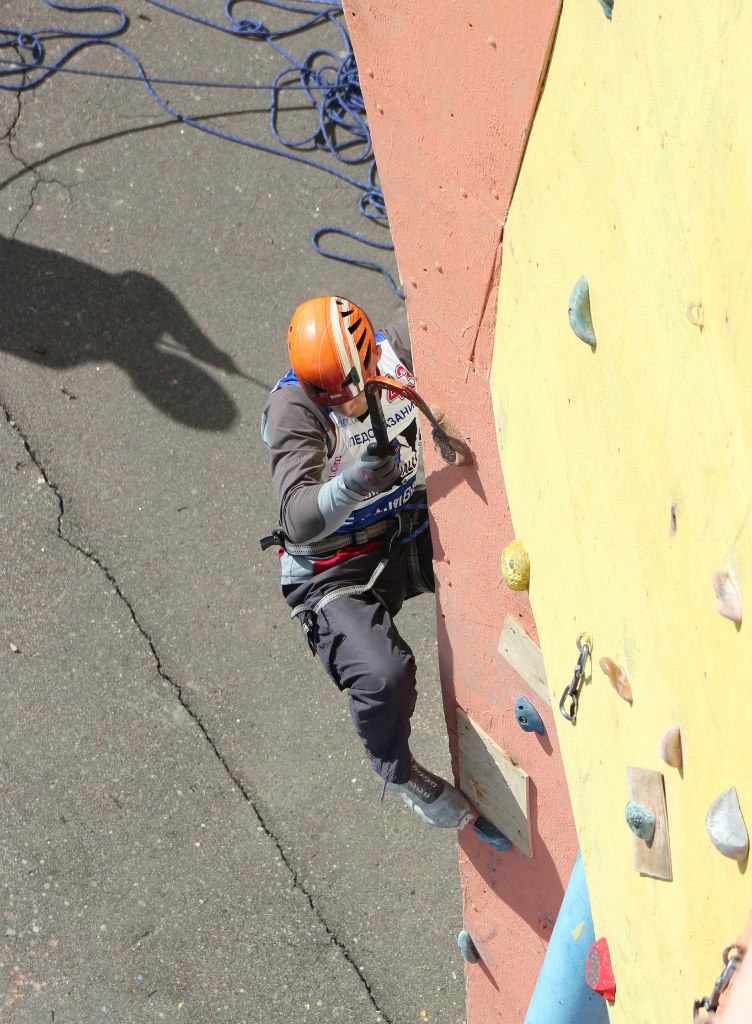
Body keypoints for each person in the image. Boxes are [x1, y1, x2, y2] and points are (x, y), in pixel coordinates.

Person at [261, 296, 509, 849]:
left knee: (494, 545)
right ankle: (395, 768)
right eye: (333, 396)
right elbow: (297, 518)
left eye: (355, 388)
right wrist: (351, 482)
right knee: (383, 676)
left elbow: (458, 322)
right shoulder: (295, 410)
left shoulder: (398, 351)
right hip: (334, 568)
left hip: (403, 531)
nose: (349, 403)